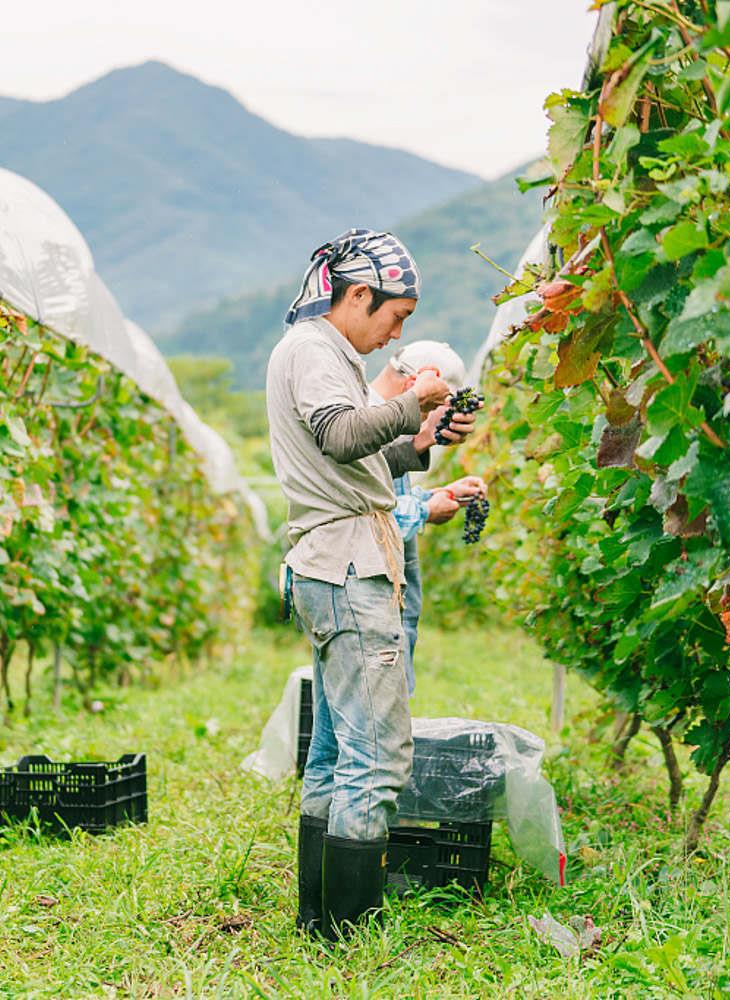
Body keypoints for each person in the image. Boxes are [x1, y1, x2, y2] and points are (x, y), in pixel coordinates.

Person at [266, 229, 450, 940]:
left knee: (339, 749)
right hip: (348, 567)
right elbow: (343, 436)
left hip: (334, 562)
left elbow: (358, 457)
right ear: (358, 294)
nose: (395, 334)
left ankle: (321, 917)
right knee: (378, 753)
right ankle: (348, 931)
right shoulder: (315, 350)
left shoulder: (327, 355)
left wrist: (422, 437)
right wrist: (413, 400)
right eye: (395, 317)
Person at [368, 342, 485, 696]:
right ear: (416, 385)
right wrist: (425, 510)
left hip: (394, 601)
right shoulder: (369, 421)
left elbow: (386, 494)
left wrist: (435, 494)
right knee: (379, 718)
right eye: (436, 405)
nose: (434, 415)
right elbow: (367, 516)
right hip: (376, 602)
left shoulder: (384, 419)